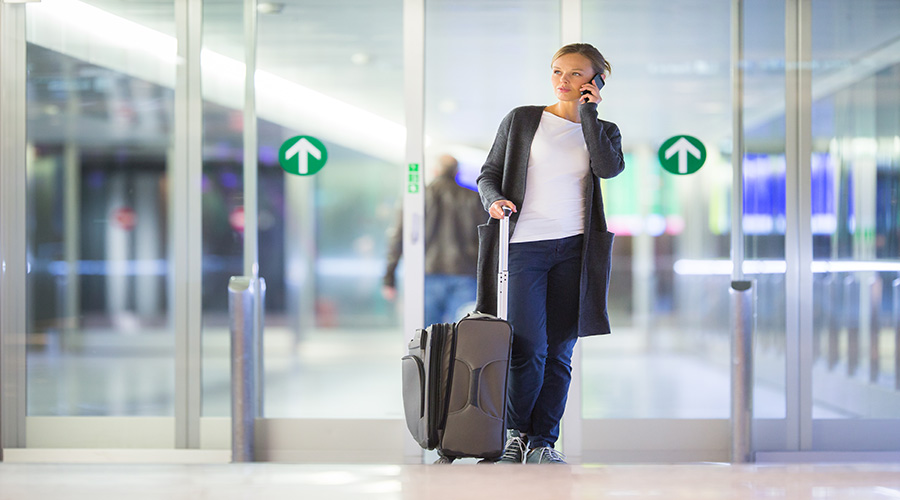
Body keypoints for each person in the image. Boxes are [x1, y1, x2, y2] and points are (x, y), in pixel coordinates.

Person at [475, 43, 625, 464]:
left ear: (596, 81)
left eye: (576, 74)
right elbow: (488, 174)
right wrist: (494, 200)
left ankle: (544, 441)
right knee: (529, 348)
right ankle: (516, 434)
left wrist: (589, 114)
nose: (563, 80)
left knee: (560, 351)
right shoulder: (523, 120)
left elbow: (608, 168)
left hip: (575, 250)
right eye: (558, 71)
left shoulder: (604, 130)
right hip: (524, 248)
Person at [383, 154, 485, 326]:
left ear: (435, 171)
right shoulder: (473, 197)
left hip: (426, 273)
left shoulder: (416, 198)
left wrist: (389, 277)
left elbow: (398, 237)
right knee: (463, 332)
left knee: (427, 335)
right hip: (465, 274)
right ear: (457, 172)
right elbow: (485, 238)